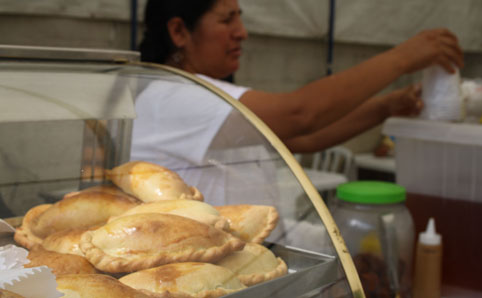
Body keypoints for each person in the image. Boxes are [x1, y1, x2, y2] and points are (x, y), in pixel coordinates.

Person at [130, 0, 463, 251]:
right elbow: (300, 115)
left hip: (238, 253)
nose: (241, 32)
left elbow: (304, 136)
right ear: (179, 31)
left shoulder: (202, 95)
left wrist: (386, 107)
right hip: (201, 265)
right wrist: (405, 58)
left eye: (240, 19)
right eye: (226, 19)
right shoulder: (170, 94)